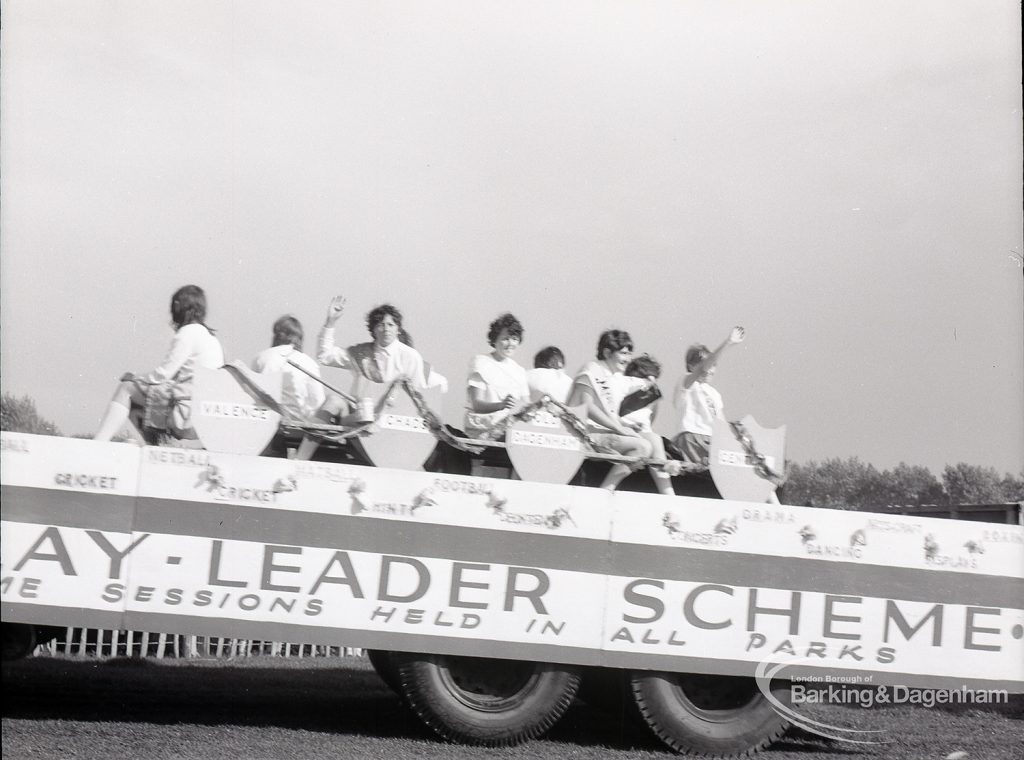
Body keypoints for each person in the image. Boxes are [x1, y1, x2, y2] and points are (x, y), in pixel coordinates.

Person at [295, 295, 446, 460]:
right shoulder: (360, 353)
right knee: (332, 401)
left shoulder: (411, 356)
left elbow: (417, 399)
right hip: (359, 418)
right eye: (381, 325)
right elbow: (325, 356)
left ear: (398, 329)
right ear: (373, 330)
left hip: (392, 423)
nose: (386, 329)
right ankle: (298, 462)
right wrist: (331, 321)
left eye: (391, 324)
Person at [94, 284, 224, 442]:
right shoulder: (211, 338)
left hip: (186, 412)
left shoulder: (187, 333)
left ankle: (99, 443)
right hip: (205, 414)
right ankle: (154, 446)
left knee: (127, 388)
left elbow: (162, 375)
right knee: (145, 399)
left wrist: (135, 378)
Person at [567, 330, 656, 492]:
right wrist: (619, 428)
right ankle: (606, 490)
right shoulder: (591, 369)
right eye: (623, 353)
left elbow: (605, 412)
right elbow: (587, 407)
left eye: (629, 354)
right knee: (643, 447)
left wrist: (623, 425)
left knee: (648, 443)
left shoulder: (611, 377)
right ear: (607, 352)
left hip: (598, 432)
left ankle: (607, 488)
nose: (627, 359)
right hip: (579, 432)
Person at [672, 326, 745, 468]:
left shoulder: (714, 394)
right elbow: (703, 369)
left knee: (742, 458)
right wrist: (728, 343)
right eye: (708, 365)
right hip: (693, 438)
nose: (710, 370)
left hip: (712, 440)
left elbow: (721, 422)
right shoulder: (686, 382)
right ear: (691, 366)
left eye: (714, 366)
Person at [464, 313, 530, 438]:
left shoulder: (519, 371)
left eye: (515, 339)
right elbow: (477, 405)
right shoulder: (480, 362)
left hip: (512, 432)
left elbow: (526, 406)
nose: (510, 343)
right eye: (505, 339)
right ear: (495, 340)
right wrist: (502, 406)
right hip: (484, 428)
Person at [250, 315, 325, 421]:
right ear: (299, 337)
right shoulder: (309, 363)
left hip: (264, 421)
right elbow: (317, 402)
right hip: (295, 425)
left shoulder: (259, 358)